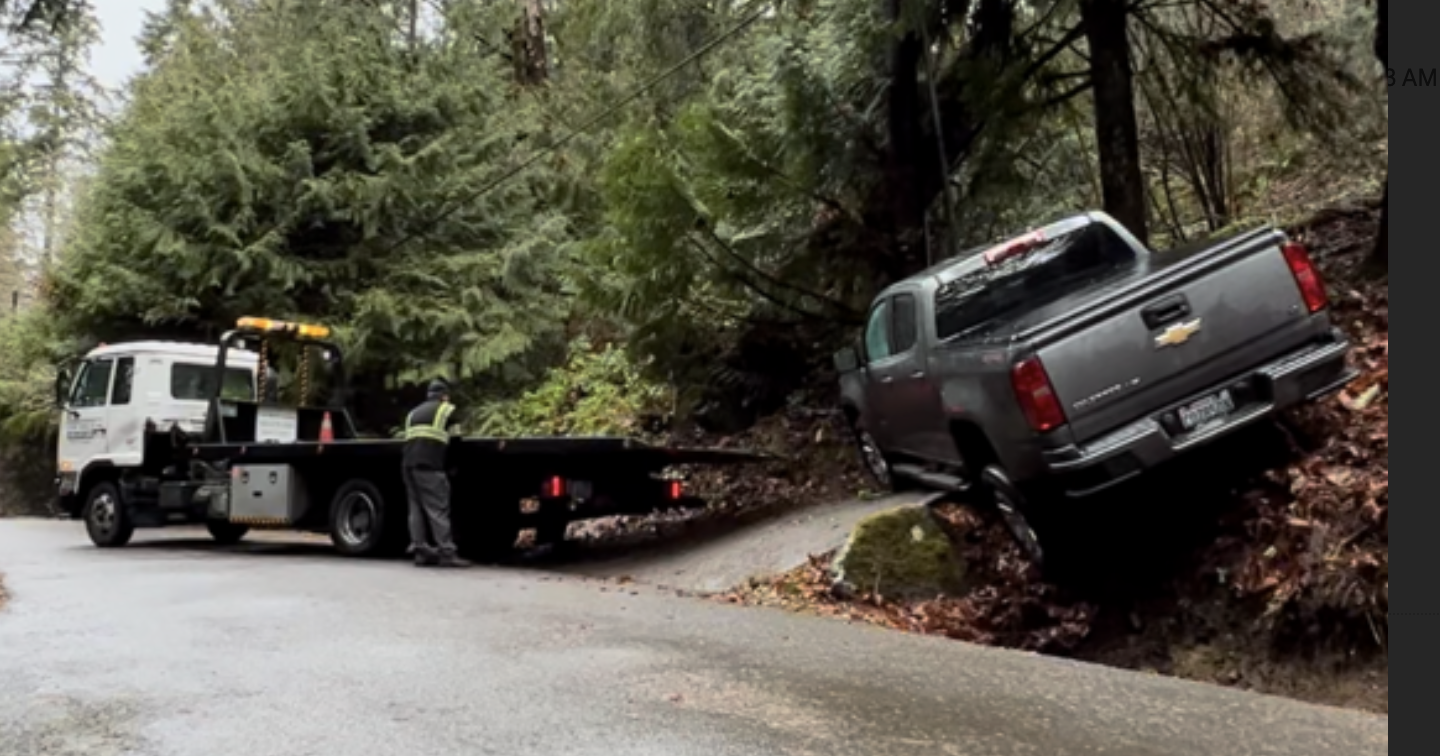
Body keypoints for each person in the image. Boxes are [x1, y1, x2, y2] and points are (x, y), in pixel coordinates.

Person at [402, 378, 469, 568]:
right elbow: (456, 442)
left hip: (408, 465)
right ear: (444, 396)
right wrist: (453, 467)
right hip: (429, 465)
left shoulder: (413, 413)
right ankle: (447, 552)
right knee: (438, 509)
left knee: (415, 509)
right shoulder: (447, 410)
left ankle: (420, 552)